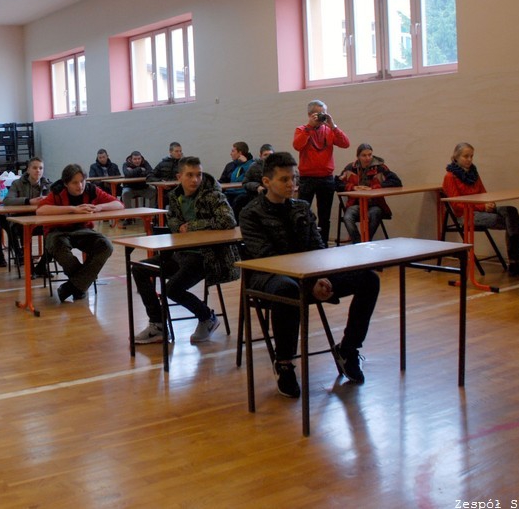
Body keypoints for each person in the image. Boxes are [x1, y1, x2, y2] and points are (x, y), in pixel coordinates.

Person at [240, 152, 380, 395]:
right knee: (288, 288)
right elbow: (269, 258)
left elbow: (318, 248)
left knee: (368, 278)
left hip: (309, 274)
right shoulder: (250, 213)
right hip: (268, 276)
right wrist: (309, 282)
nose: (292, 184)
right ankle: (284, 363)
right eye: (284, 179)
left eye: (294, 178)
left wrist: (318, 277)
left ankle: (348, 349)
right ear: (266, 182)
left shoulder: (302, 207)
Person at [133, 156, 239, 345]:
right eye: (190, 175)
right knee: (139, 268)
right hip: (181, 254)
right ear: (179, 177)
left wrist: (192, 226)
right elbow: (173, 220)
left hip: (208, 256)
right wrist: (179, 226)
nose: (195, 180)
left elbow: (228, 220)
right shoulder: (175, 196)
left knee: (171, 289)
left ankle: (207, 317)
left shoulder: (213, 195)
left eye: (198, 174)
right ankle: (158, 325)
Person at [442, 142, 519, 276]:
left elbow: (484, 193)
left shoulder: (474, 173)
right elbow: (457, 205)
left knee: (511, 211)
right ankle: (515, 260)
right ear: (456, 157)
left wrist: (489, 203)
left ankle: (516, 255)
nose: (469, 159)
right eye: (466, 156)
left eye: (471, 156)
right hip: (466, 214)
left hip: (480, 209)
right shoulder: (450, 177)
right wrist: (482, 206)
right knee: (509, 222)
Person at [36, 164, 123, 302]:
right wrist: (73, 209)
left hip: (83, 230)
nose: (80, 186)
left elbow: (118, 204)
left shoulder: (91, 190)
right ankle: (80, 285)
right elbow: (41, 210)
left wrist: (99, 207)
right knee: (60, 249)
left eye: (82, 181)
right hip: (58, 231)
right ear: (66, 184)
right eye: (75, 183)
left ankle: (72, 287)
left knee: (105, 246)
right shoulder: (57, 191)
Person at [292, 99, 350, 247]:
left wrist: (333, 126)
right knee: (302, 213)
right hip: (307, 178)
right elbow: (297, 146)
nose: (322, 116)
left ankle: (323, 245)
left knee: (325, 217)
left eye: (324, 113)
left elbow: (345, 143)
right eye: (319, 114)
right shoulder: (301, 129)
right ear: (310, 114)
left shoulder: (329, 130)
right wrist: (309, 127)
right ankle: (303, 245)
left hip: (326, 179)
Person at [337, 143, 402, 244]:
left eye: (370, 155)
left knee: (375, 213)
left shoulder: (380, 168)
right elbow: (337, 183)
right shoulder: (350, 168)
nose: (367, 158)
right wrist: (353, 187)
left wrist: (374, 188)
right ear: (358, 156)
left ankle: (366, 242)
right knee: (347, 217)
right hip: (356, 204)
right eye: (364, 155)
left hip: (375, 204)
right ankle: (358, 243)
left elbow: (396, 182)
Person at [6, 157, 51, 276]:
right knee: (24, 232)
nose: (38, 171)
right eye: (35, 168)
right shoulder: (17, 183)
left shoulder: (47, 184)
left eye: (41, 168)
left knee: (55, 233)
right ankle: (29, 267)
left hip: (40, 220)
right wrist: (28, 201)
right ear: (28, 170)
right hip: (21, 220)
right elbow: (8, 200)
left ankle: (42, 266)